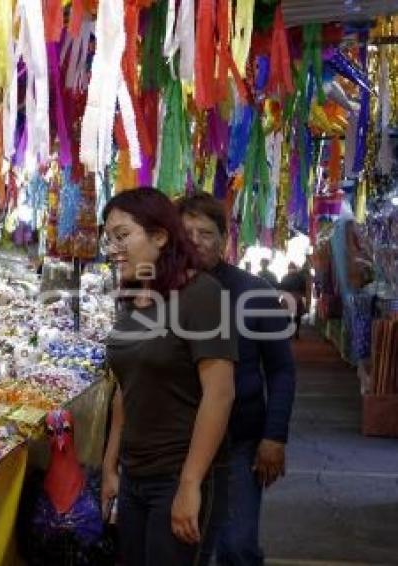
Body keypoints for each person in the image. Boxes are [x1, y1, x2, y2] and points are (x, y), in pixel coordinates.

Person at [100, 188, 236, 566]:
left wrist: (190, 484)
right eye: (109, 238)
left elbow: (220, 394)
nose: (113, 249)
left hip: (179, 473)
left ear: (160, 236)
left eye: (123, 236)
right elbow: (126, 389)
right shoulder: (133, 298)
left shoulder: (201, 293)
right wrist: (111, 466)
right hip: (134, 474)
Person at [179, 193, 296, 566]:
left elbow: (281, 369)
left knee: (237, 546)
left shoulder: (255, 292)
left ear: (224, 239)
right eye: (187, 233)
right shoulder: (163, 293)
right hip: (177, 440)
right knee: (184, 543)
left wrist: (274, 436)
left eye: (205, 233)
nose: (196, 241)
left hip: (239, 441)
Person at [279, 262, 308, 339]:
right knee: (296, 316)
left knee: (290, 316)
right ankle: (295, 332)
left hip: (289, 297)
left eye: (292, 268)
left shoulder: (285, 277)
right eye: (290, 268)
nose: (291, 269)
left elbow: (281, 288)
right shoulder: (300, 277)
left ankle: (292, 332)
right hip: (296, 296)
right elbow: (304, 289)